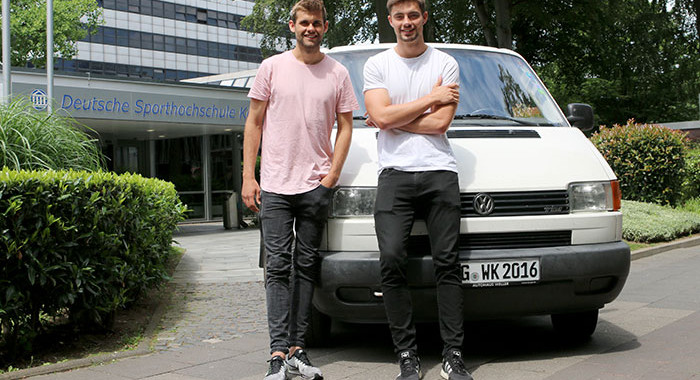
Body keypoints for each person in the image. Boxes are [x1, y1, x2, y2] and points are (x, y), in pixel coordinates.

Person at [241, 0, 359, 379]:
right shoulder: (271, 67)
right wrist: (248, 176)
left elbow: (346, 126)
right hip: (275, 185)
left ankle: (297, 349)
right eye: (304, 23)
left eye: (317, 23)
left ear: (326, 27)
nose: (310, 28)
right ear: (292, 25)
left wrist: (332, 177)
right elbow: (254, 122)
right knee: (277, 267)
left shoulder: (337, 73)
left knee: (306, 266)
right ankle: (276, 353)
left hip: (316, 185)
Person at [363, 1, 473, 379]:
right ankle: (406, 355)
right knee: (392, 260)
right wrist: (428, 99)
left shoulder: (445, 63)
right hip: (394, 174)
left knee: (448, 263)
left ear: (424, 17)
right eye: (400, 17)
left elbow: (441, 124)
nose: (407, 23)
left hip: (440, 171)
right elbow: (383, 115)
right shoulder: (377, 65)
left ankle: (453, 354)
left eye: (414, 15)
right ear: (390, 20)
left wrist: (391, 118)